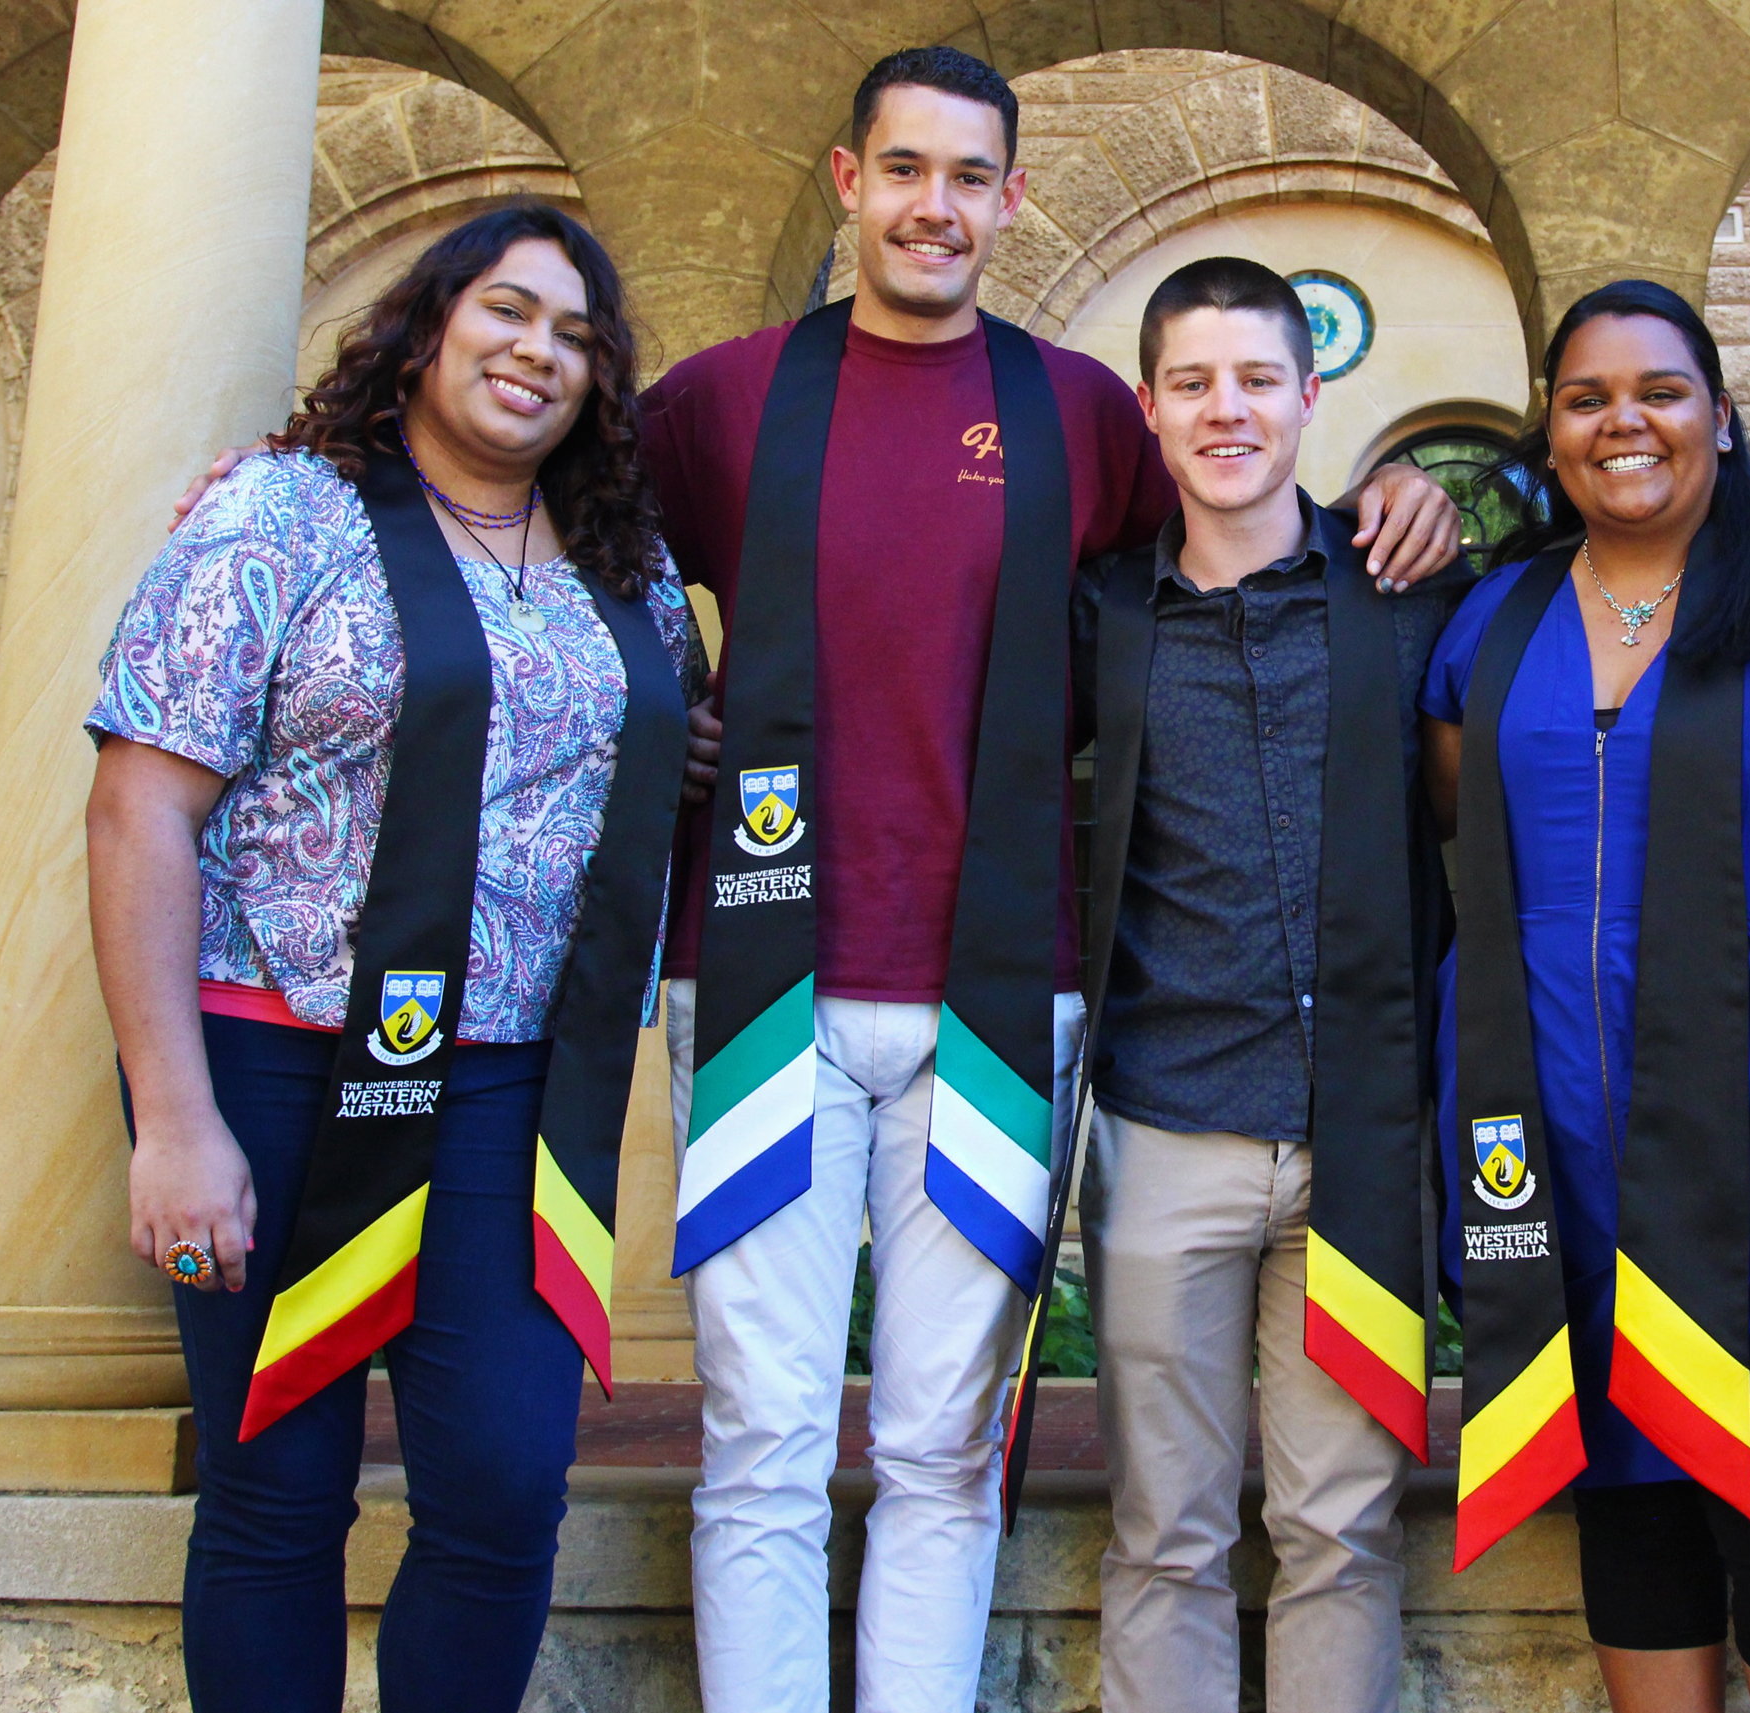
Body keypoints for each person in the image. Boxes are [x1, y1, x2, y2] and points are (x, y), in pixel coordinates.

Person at [636, 49, 1458, 1713]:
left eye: (970, 177)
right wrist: (664, 711)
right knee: (763, 1428)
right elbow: (545, 532)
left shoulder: (1080, 412)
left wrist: (1399, 490)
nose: (936, 205)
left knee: (947, 1439)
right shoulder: (723, 401)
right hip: (762, 978)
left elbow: (1247, 530)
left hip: (1004, 994)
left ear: (1012, 200)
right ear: (850, 179)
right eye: (905, 170)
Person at [88, 202, 691, 1713]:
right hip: (271, 1061)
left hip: (503, 1087)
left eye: (576, 336)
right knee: (277, 1491)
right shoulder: (277, 516)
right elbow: (139, 808)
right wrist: (173, 1120)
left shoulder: (628, 569)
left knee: (500, 1486)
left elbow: (656, 771)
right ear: (425, 326)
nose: (537, 352)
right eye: (506, 310)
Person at [1423, 279, 1750, 1713]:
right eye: (1585, 398)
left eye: (1658, 389)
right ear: (1550, 433)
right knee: (1621, 1468)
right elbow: (1470, 832)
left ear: (1718, 411)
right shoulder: (1498, 615)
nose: (1622, 420)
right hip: (1545, 1112)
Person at [1069, 257, 1465, 1713]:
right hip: (1169, 1124)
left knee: (1340, 1526)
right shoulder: (1100, 614)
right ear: (1149, 407)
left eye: (1255, 379)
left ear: (1310, 396)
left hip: (1366, 1136)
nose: (1225, 409)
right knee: (1164, 1528)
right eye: (1192, 381)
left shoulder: (1408, 595)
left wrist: (1420, 485)